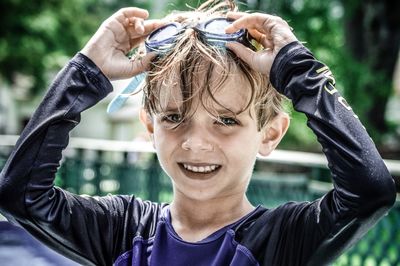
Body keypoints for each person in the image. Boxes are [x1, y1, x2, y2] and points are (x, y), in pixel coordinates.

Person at [0, 0, 396, 265]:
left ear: (270, 134)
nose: (196, 143)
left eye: (226, 121)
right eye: (174, 118)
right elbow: (20, 195)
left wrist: (300, 73)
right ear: (149, 124)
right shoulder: (122, 232)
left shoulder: (280, 241)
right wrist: (86, 71)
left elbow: (370, 191)